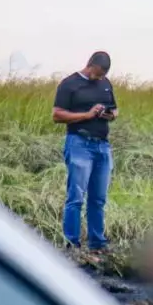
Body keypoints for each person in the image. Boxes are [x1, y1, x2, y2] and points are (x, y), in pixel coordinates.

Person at [52, 51, 118, 251]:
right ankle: (72, 244)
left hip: (102, 145)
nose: (98, 78)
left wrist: (109, 115)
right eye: (97, 74)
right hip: (79, 143)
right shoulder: (69, 84)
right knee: (76, 196)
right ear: (90, 65)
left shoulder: (106, 84)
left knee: (98, 198)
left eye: (102, 75)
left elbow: (115, 110)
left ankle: (97, 243)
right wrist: (87, 115)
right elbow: (57, 115)